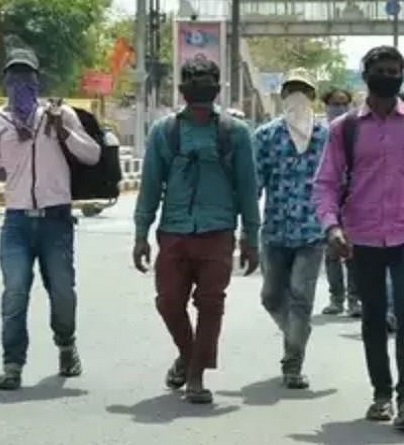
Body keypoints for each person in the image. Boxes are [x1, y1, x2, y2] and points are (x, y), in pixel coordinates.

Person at [313, 45, 404, 430]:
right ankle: (381, 394)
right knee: (373, 318)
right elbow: (324, 183)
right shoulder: (346, 129)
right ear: (366, 73)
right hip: (362, 238)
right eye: (382, 70)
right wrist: (331, 226)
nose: (389, 76)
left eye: (395, 70)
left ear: (403, 75)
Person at [0, 47, 100, 390]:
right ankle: (12, 365)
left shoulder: (59, 114)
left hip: (55, 220)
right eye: (14, 77)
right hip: (15, 222)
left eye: (26, 77)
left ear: (37, 80)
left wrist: (62, 131)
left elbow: (92, 154)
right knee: (14, 293)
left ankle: (66, 344)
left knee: (62, 292)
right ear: (5, 82)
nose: (20, 84)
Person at [132, 58, 260, 403]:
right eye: (191, 78)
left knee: (210, 303)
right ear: (182, 87)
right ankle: (189, 355)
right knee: (168, 302)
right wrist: (141, 233)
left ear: (217, 87)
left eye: (205, 79)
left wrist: (252, 238)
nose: (198, 85)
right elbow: (149, 187)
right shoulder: (165, 131)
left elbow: (248, 189)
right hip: (173, 232)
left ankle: (196, 375)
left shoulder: (236, 133)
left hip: (217, 233)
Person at [255, 69, 327, 388]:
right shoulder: (266, 136)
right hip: (275, 229)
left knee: (301, 297)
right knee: (271, 296)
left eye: (304, 91)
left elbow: (341, 180)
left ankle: (293, 361)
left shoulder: (327, 136)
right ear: (283, 96)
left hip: (313, 231)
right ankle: (297, 330)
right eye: (292, 90)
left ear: (312, 98)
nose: (297, 96)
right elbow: (254, 182)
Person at [319, 86, 361, 317]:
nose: (340, 108)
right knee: (332, 252)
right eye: (335, 104)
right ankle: (336, 298)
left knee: (353, 254)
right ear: (326, 107)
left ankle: (355, 300)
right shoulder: (320, 133)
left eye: (344, 103)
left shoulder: (357, 130)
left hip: (354, 198)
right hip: (330, 200)